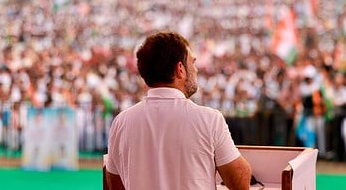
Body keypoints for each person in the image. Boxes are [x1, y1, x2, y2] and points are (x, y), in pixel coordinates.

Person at [105, 31, 252, 190]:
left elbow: (114, 184)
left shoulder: (121, 122)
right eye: (193, 63)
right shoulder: (210, 119)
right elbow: (240, 183)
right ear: (180, 69)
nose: (195, 70)